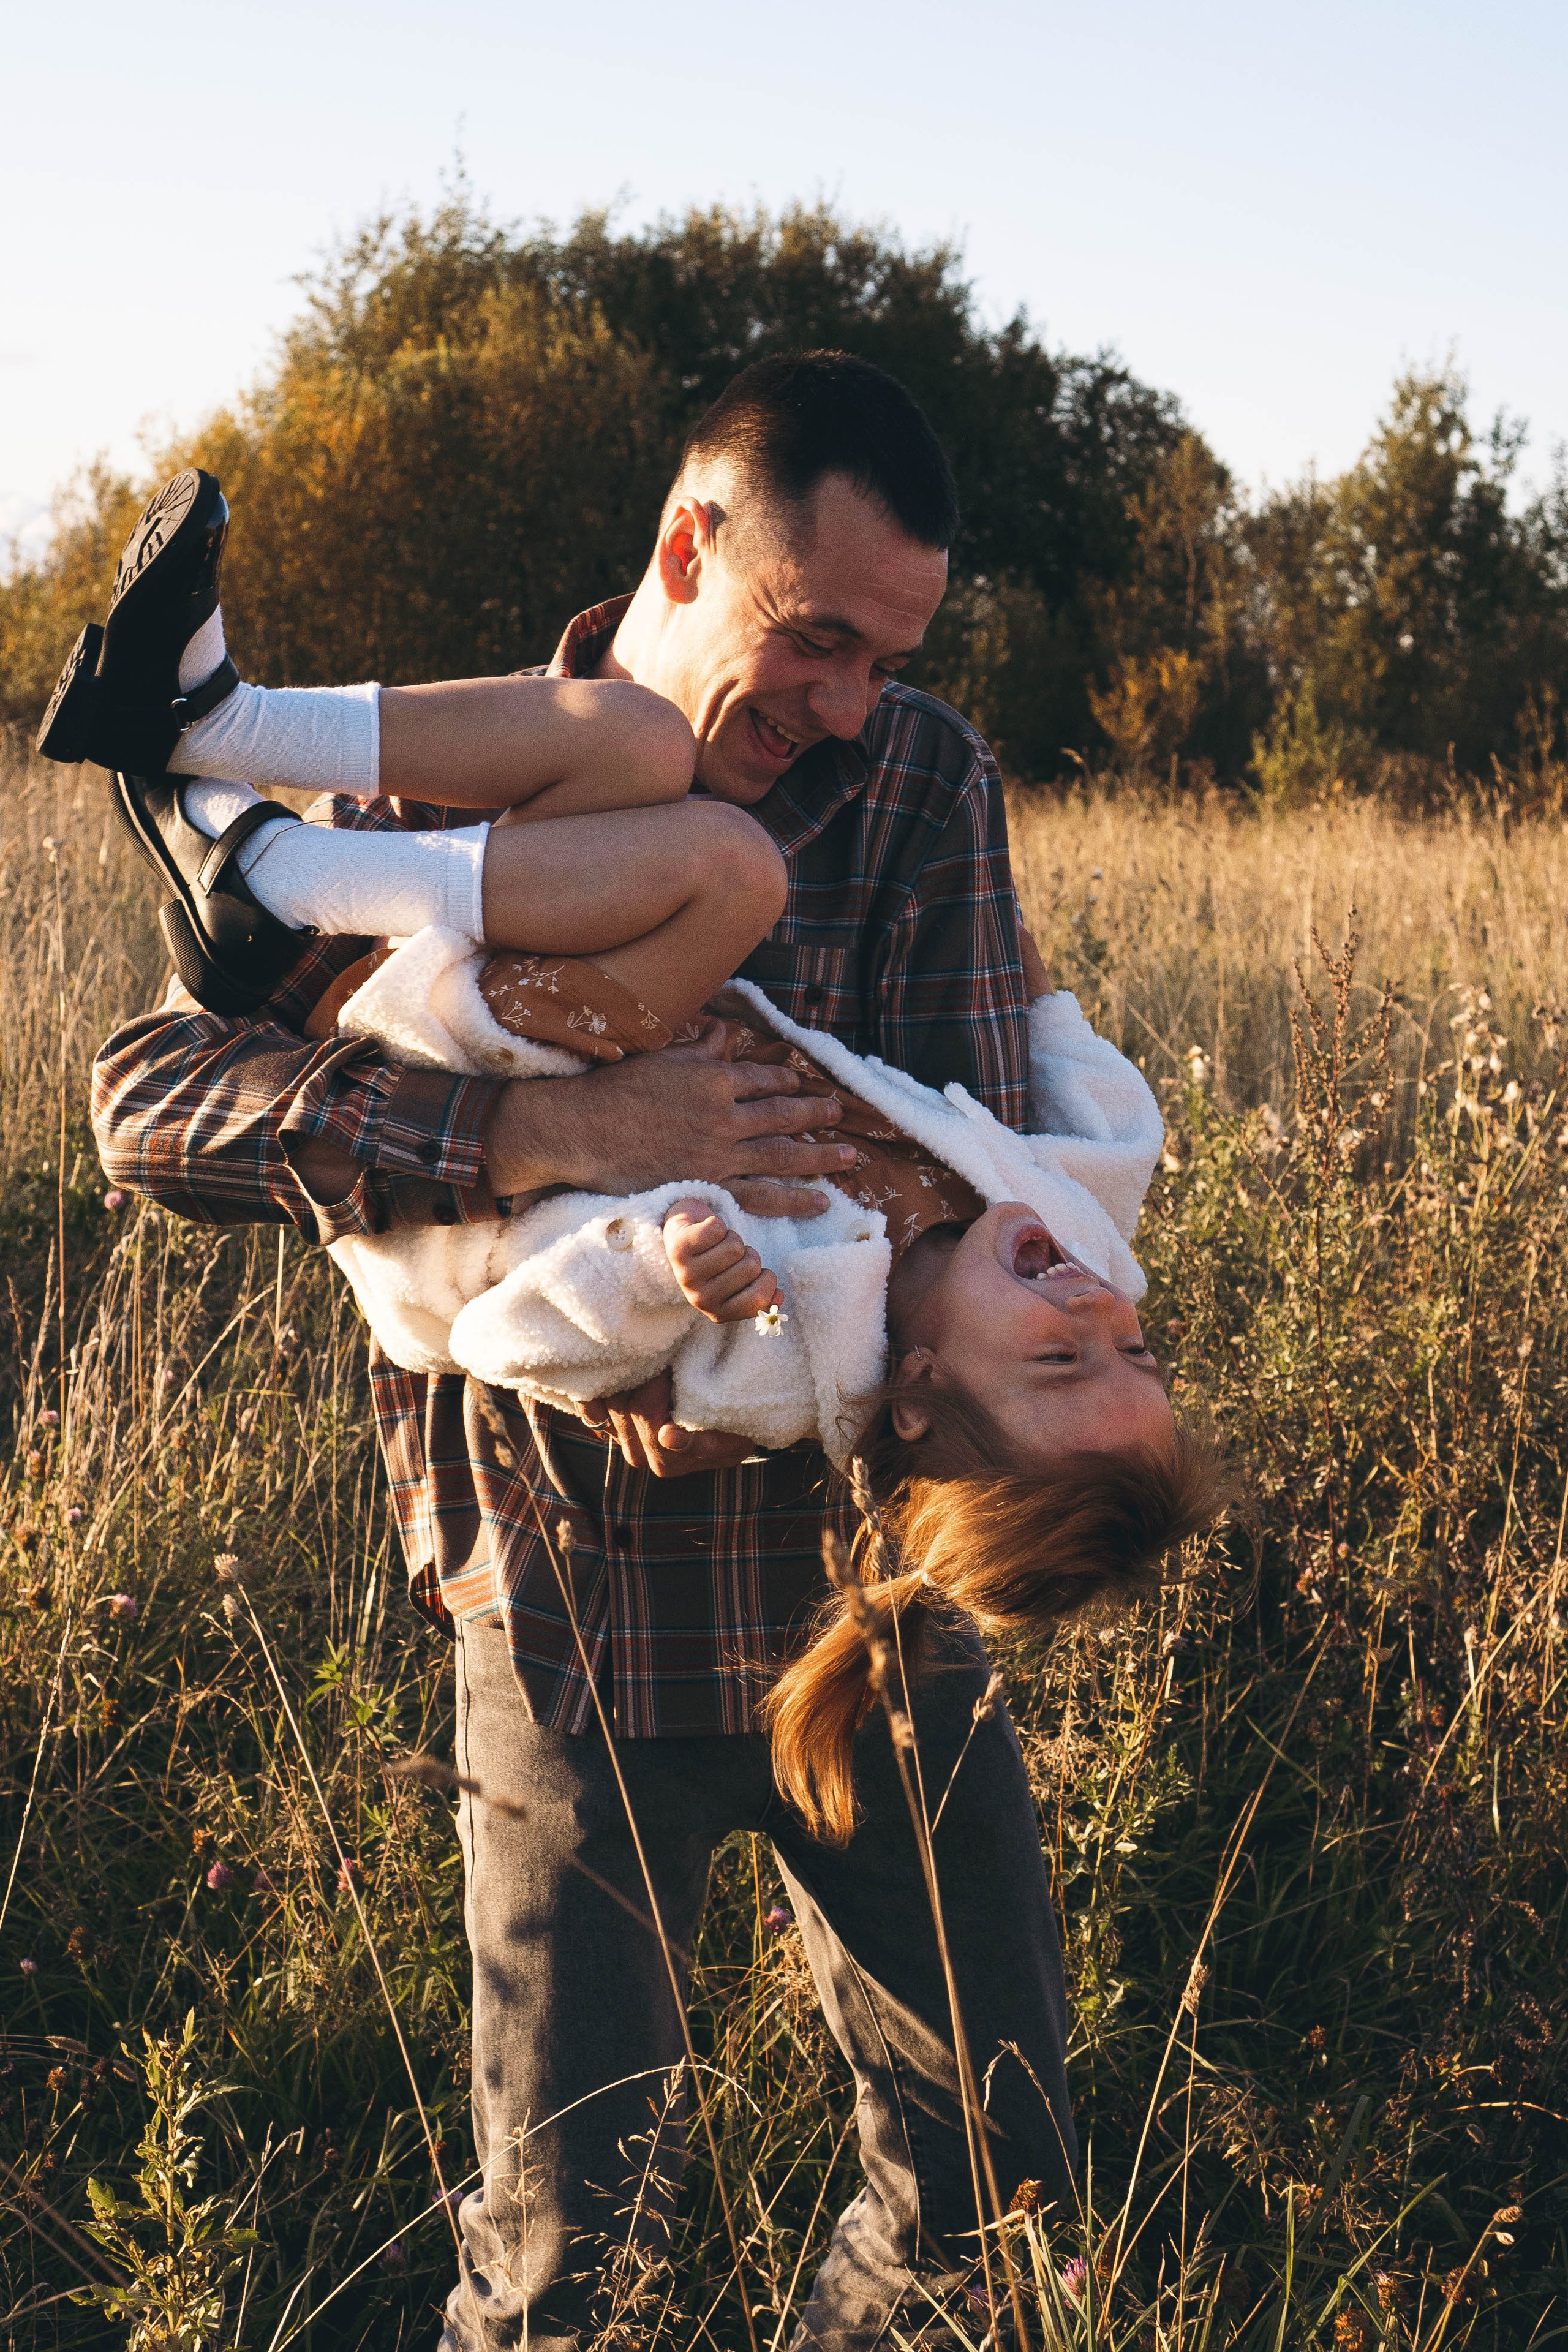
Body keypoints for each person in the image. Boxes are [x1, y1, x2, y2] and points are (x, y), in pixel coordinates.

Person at [73, 353, 1152, 2349]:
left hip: (874, 1615)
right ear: (688, 545)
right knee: (578, 2272)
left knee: (991, 2197)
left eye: (884, 657)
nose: (846, 703)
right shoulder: (461, 777)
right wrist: (527, 1135)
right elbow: (146, 1107)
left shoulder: (919, 782)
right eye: (815, 640)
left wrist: (767, 1384)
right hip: (573, 1633)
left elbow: (974, 1165)